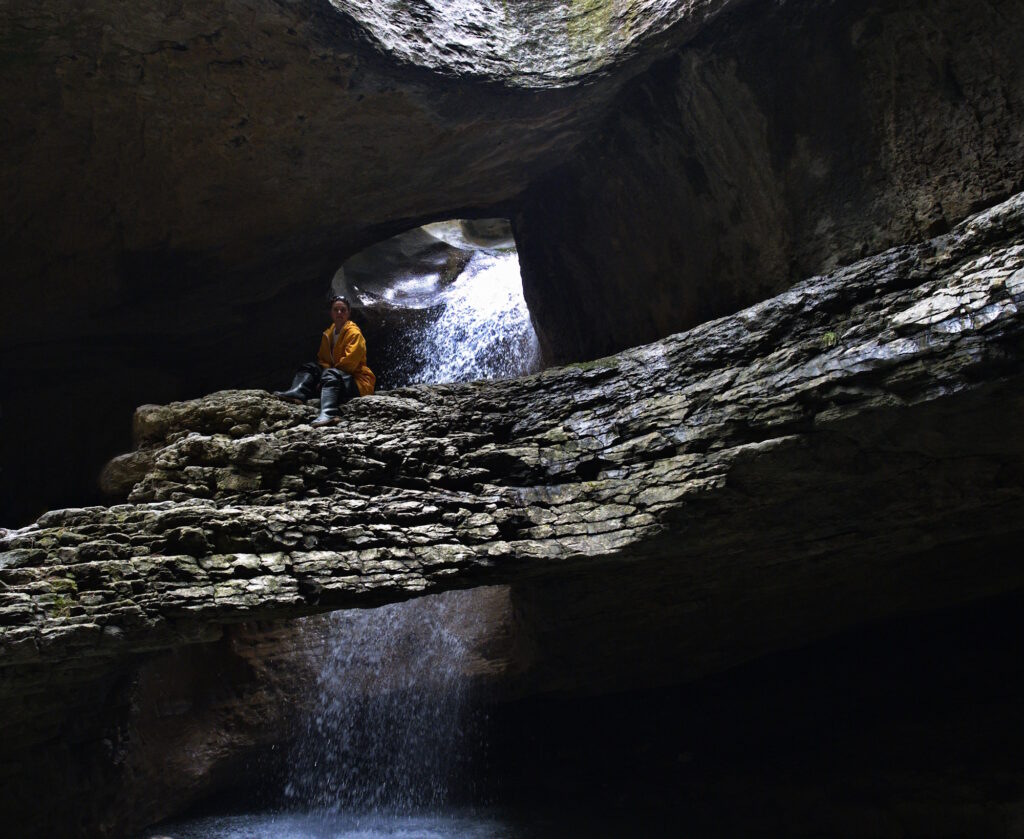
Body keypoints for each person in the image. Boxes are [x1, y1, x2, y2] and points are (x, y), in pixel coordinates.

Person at [273, 295, 376, 426]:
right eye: (336, 310)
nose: (339, 313)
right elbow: (323, 360)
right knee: (310, 367)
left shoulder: (354, 334)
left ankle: (329, 413)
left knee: (330, 374)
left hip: (358, 382)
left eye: (343, 310)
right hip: (336, 378)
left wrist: (326, 375)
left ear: (348, 313)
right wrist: (324, 373)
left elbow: (350, 363)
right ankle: (297, 394)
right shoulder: (328, 334)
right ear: (331, 313)